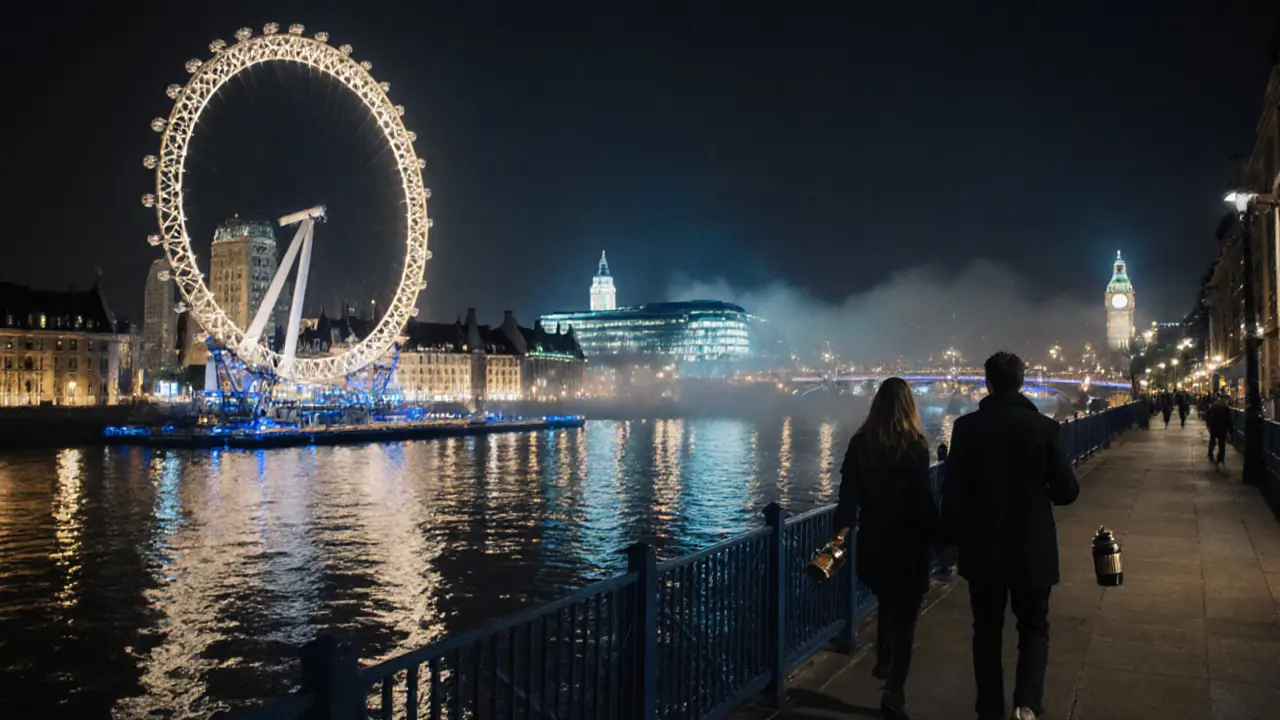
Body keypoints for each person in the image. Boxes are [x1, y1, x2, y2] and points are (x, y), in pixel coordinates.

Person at [942, 352, 1079, 720]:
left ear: (987, 383)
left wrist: (951, 541)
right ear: (1022, 381)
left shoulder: (966, 428)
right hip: (1032, 547)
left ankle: (989, 708)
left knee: (985, 632)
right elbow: (1067, 491)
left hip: (982, 547)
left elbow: (953, 493)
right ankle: (1027, 705)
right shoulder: (1046, 428)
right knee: (1034, 627)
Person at [834, 377, 937, 720]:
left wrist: (842, 531)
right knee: (906, 618)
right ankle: (894, 690)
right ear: (910, 406)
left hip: (875, 543)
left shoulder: (860, 443)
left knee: (887, 601)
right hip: (909, 544)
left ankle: (883, 653)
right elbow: (924, 503)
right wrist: (942, 540)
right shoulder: (916, 446)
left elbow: (847, 493)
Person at [1206, 394, 1232, 466]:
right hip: (1222, 428)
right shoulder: (1226, 408)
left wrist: (1208, 425)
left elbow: (1208, 414)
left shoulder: (1214, 405)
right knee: (1222, 444)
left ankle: (1210, 455)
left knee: (1212, 441)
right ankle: (1220, 458)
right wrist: (1229, 430)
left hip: (1214, 427)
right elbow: (1229, 419)